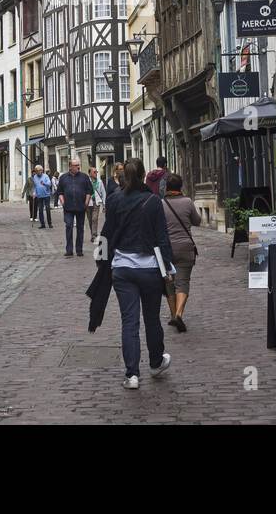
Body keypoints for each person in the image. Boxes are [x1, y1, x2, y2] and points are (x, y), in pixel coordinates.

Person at [100, 158, 176, 389]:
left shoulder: (113, 200)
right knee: (152, 318)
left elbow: (106, 233)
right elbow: (162, 237)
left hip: (122, 268)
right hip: (149, 269)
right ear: (143, 175)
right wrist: (168, 267)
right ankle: (155, 362)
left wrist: (103, 261)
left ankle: (132, 375)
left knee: (129, 322)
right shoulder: (153, 202)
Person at [160, 174, 200, 333]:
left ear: (167, 188)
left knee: (169, 284)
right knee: (183, 282)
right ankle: (178, 314)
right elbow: (197, 221)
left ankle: (172, 315)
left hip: (167, 249)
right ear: (180, 186)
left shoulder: (161, 204)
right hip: (185, 247)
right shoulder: (188, 202)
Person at [57, 157, 92, 257]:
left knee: (80, 228)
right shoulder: (63, 177)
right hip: (68, 207)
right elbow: (60, 191)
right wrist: (62, 201)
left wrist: (86, 202)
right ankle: (69, 250)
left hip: (81, 207)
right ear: (70, 166)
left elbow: (89, 191)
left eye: (78, 165)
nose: (78, 167)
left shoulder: (84, 177)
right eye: (76, 165)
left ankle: (79, 249)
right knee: (69, 226)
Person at [86, 166, 106, 242]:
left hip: (96, 202)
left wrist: (104, 205)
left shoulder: (99, 181)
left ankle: (94, 235)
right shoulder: (86, 181)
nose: (96, 173)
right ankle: (93, 233)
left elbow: (103, 193)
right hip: (88, 202)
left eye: (96, 172)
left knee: (94, 219)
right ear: (90, 173)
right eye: (94, 172)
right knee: (90, 219)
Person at [31, 164, 53, 229]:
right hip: (39, 196)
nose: (37, 172)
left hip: (46, 195)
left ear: (41, 170)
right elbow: (35, 186)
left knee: (47, 209)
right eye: (36, 171)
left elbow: (49, 184)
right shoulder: (35, 177)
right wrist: (34, 192)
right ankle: (42, 224)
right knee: (40, 210)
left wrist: (44, 183)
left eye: (38, 171)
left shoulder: (46, 176)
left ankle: (49, 223)